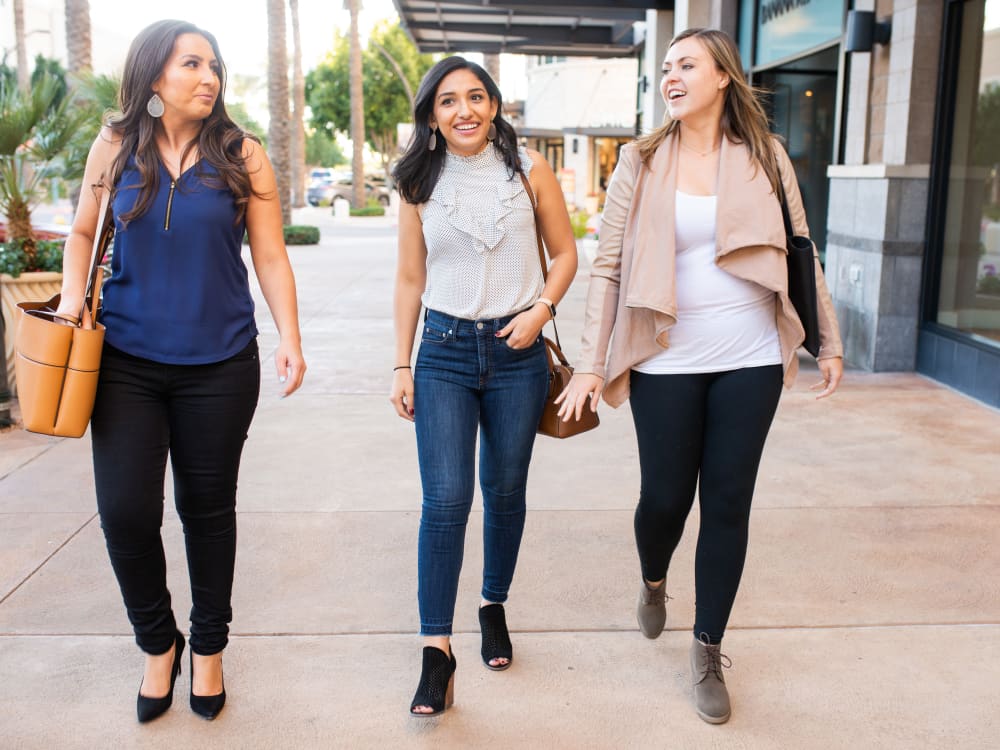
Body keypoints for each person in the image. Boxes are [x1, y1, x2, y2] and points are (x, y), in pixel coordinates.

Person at [556, 28, 843, 725]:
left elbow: (801, 252)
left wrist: (827, 340)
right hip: (665, 357)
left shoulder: (767, 157)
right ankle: (654, 578)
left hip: (748, 353)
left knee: (728, 501)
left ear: (722, 76)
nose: (672, 76)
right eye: (665, 68)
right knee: (664, 500)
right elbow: (608, 266)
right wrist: (593, 363)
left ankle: (709, 646)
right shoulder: (641, 160)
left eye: (686, 64)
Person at [56, 19, 305, 723]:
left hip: (221, 364)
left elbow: (272, 255)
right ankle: (157, 640)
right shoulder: (115, 144)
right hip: (126, 363)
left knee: (206, 512)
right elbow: (81, 231)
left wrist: (288, 334)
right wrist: (74, 297)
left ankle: (209, 651)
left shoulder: (241, 154)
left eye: (214, 66)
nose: (208, 78)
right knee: (126, 514)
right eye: (191, 63)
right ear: (153, 75)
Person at [390, 56, 577, 716]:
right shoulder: (417, 182)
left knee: (504, 488)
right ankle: (435, 651)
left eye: (475, 96)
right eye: (447, 101)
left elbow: (566, 255)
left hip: (517, 352)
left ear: (494, 105)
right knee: (445, 498)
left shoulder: (530, 171)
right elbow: (411, 279)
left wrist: (541, 310)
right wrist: (400, 363)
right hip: (442, 350)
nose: (463, 109)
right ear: (432, 116)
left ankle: (492, 604)